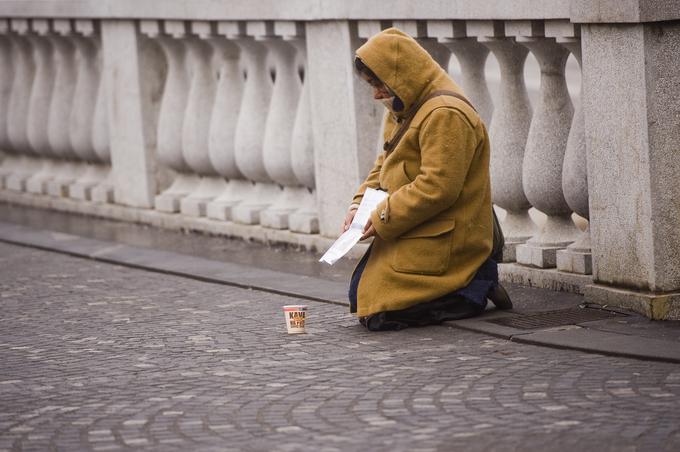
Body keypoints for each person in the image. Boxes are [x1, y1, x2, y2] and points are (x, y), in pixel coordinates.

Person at [344, 28, 511, 331]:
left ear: (399, 74)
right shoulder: (404, 104)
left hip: (448, 234)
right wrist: (358, 205)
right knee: (363, 295)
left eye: (378, 84)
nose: (376, 94)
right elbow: (383, 166)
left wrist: (382, 215)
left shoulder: (446, 114)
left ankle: (475, 285)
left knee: (381, 313)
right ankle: (472, 285)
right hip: (425, 225)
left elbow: (437, 188)